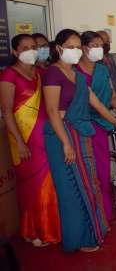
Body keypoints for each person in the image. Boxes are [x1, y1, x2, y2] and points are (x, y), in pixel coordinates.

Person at [42, 29, 116, 252]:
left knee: (90, 183)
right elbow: (52, 111)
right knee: (71, 190)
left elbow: (97, 104)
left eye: (78, 47)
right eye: (70, 47)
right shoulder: (53, 73)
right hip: (61, 136)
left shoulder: (77, 75)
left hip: (80, 134)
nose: (75, 51)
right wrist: (66, 143)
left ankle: (92, 231)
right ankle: (77, 238)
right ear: (58, 49)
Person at [0, 34, 61, 247]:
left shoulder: (40, 73)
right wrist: (19, 142)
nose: (31, 51)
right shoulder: (9, 75)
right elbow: (7, 112)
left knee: (49, 181)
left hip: (45, 135)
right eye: (25, 48)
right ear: (15, 52)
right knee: (32, 185)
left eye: (34, 47)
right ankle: (32, 230)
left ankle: (48, 226)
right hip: (24, 138)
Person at [76, 31, 116, 222]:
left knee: (102, 173)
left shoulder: (102, 70)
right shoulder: (74, 72)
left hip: (102, 125)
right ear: (84, 48)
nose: (99, 49)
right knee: (87, 173)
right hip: (82, 126)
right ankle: (90, 215)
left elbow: (111, 97)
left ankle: (103, 214)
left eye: (101, 45)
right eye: (95, 45)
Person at [97, 30, 116, 97]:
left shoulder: (110, 58)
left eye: (108, 41)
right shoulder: (93, 61)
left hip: (114, 98)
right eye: (103, 42)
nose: (106, 44)